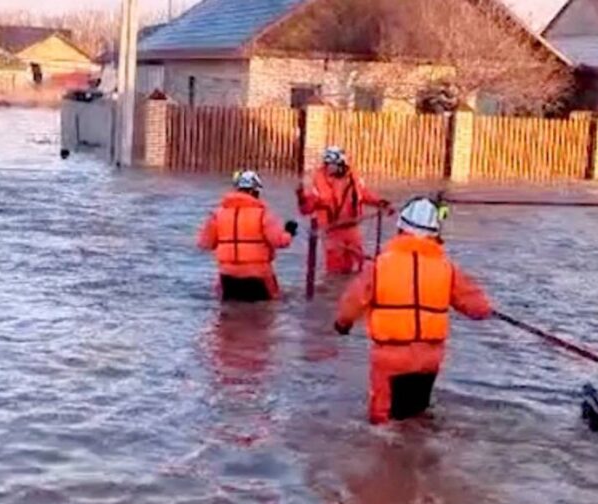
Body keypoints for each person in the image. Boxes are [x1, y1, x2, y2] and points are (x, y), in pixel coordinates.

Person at [333, 197, 493, 425]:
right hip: (430, 359)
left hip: (391, 359)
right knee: (417, 417)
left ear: (401, 228)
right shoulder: (447, 268)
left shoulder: (379, 266)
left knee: (383, 424)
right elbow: (479, 308)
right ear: (435, 234)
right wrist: (486, 309)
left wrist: (343, 324)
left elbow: (353, 302)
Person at [197, 170, 298, 302]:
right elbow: (279, 241)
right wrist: (289, 232)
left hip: (228, 277)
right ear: (254, 191)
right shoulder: (263, 215)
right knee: (266, 314)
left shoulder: (217, 215)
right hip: (259, 276)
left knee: (229, 316)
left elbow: (205, 243)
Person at [297, 146, 390, 274]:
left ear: (341, 164)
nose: (329, 167)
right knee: (335, 269)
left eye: (332, 164)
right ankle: (335, 292)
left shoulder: (352, 177)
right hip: (332, 231)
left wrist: (380, 203)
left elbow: (363, 194)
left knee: (359, 264)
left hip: (352, 227)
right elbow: (307, 208)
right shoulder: (318, 181)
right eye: (327, 164)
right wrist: (302, 199)